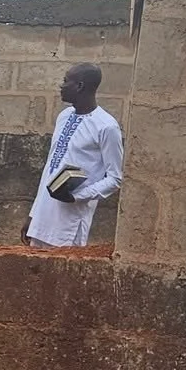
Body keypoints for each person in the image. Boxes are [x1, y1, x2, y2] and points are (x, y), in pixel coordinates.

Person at [26, 63, 124, 248]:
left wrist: (77, 196)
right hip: (42, 218)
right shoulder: (64, 116)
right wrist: (33, 215)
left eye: (66, 81)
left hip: (71, 221)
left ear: (79, 86)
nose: (61, 86)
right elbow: (50, 167)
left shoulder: (106, 126)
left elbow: (115, 179)